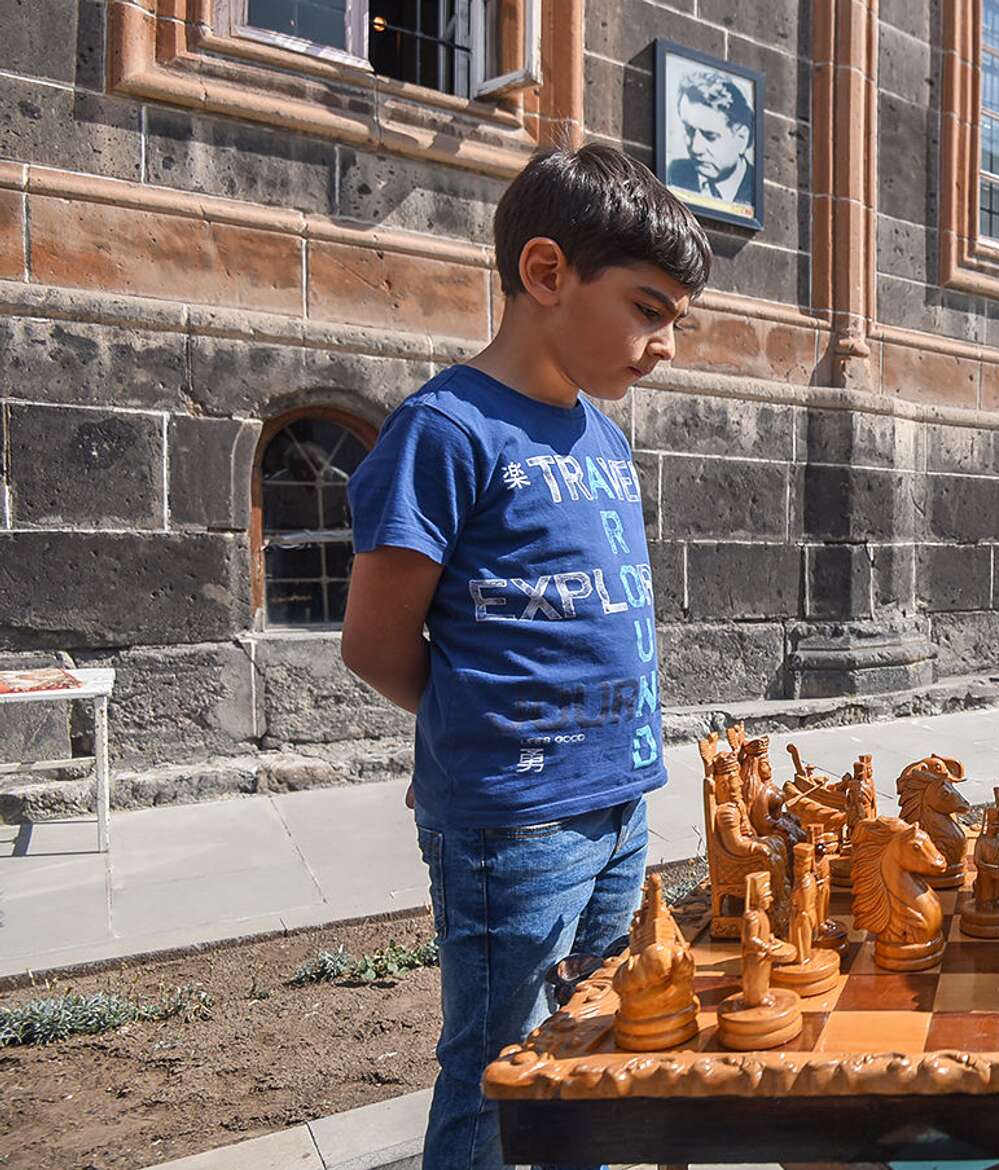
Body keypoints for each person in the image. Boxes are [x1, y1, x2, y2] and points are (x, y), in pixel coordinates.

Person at [340, 144, 712, 1170]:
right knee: (501, 1065)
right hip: (513, 826)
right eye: (648, 308)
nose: (666, 343)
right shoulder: (444, 432)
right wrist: (485, 732)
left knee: (592, 1042)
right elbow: (374, 643)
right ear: (546, 274)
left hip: (617, 804)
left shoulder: (603, 436)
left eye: (676, 318)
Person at [667, 71, 757, 211]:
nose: (696, 148)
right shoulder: (674, 173)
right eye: (689, 131)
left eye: (710, 136)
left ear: (741, 138)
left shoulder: (755, 189)